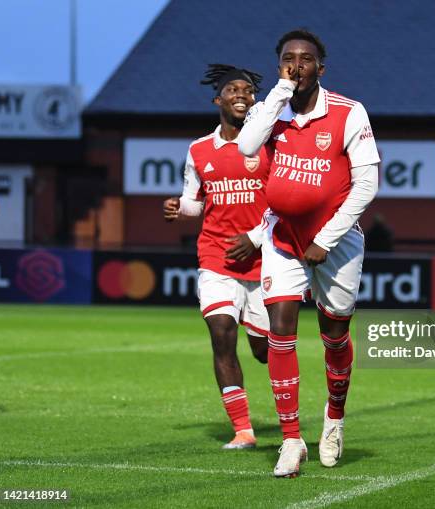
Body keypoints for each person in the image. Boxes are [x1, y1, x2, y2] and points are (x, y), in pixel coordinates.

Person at [234, 29, 380, 477]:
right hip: (282, 237)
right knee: (281, 327)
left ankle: (334, 419)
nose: (297, 64)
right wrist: (279, 90)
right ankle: (292, 439)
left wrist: (327, 238)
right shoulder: (271, 109)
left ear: (322, 67)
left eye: (305, 59)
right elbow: (245, 146)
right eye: (287, 58)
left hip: (334, 242)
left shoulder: (348, 112)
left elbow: (367, 185)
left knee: (334, 336)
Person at [163, 64, 272, 450]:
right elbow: (196, 204)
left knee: (262, 351)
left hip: (264, 262)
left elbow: (283, 204)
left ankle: (265, 350)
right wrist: (180, 207)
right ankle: (243, 430)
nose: (242, 94)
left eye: (248, 90)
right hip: (216, 259)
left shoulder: (269, 144)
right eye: (233, 90)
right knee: (222, 335)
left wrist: (257, 239)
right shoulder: (198, 149)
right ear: (218, 100)